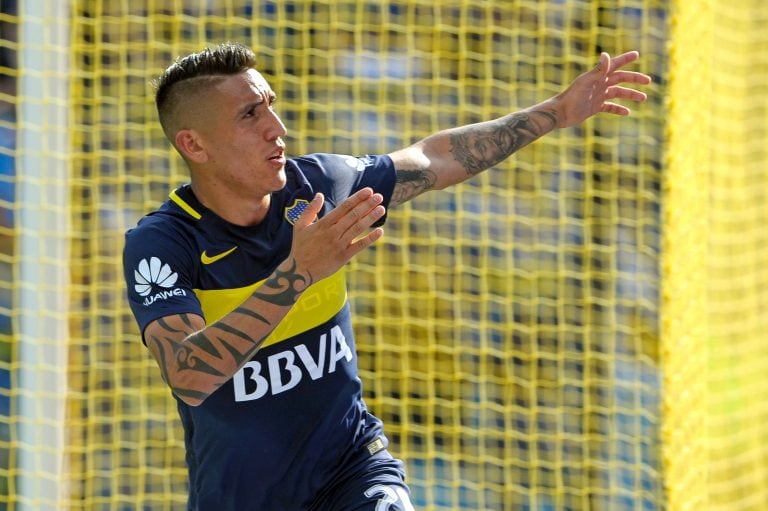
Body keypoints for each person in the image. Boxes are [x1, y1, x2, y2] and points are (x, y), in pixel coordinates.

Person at [122, 41, 650, 510]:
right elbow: (189, 375)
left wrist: (555, 112)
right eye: (249, 115)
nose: (277, 129)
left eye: (273, 108)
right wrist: (299, 273)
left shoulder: (320, 185)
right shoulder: (163, 243)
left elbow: (432, 158)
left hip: (355, 470)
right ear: (194, 145)